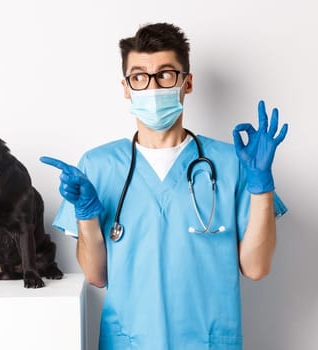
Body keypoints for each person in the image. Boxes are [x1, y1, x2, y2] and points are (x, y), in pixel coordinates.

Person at [39, 23, 288, 349]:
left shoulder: (232, 163)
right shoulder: (97, 166)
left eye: (166, 74)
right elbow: (97, 276)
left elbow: (256, 268)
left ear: (187, 83)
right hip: (130, 341)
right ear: (127, 87)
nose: (152, 87)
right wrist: (86, 215)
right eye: (139, 76)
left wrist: (261, 185)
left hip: (207, 341)